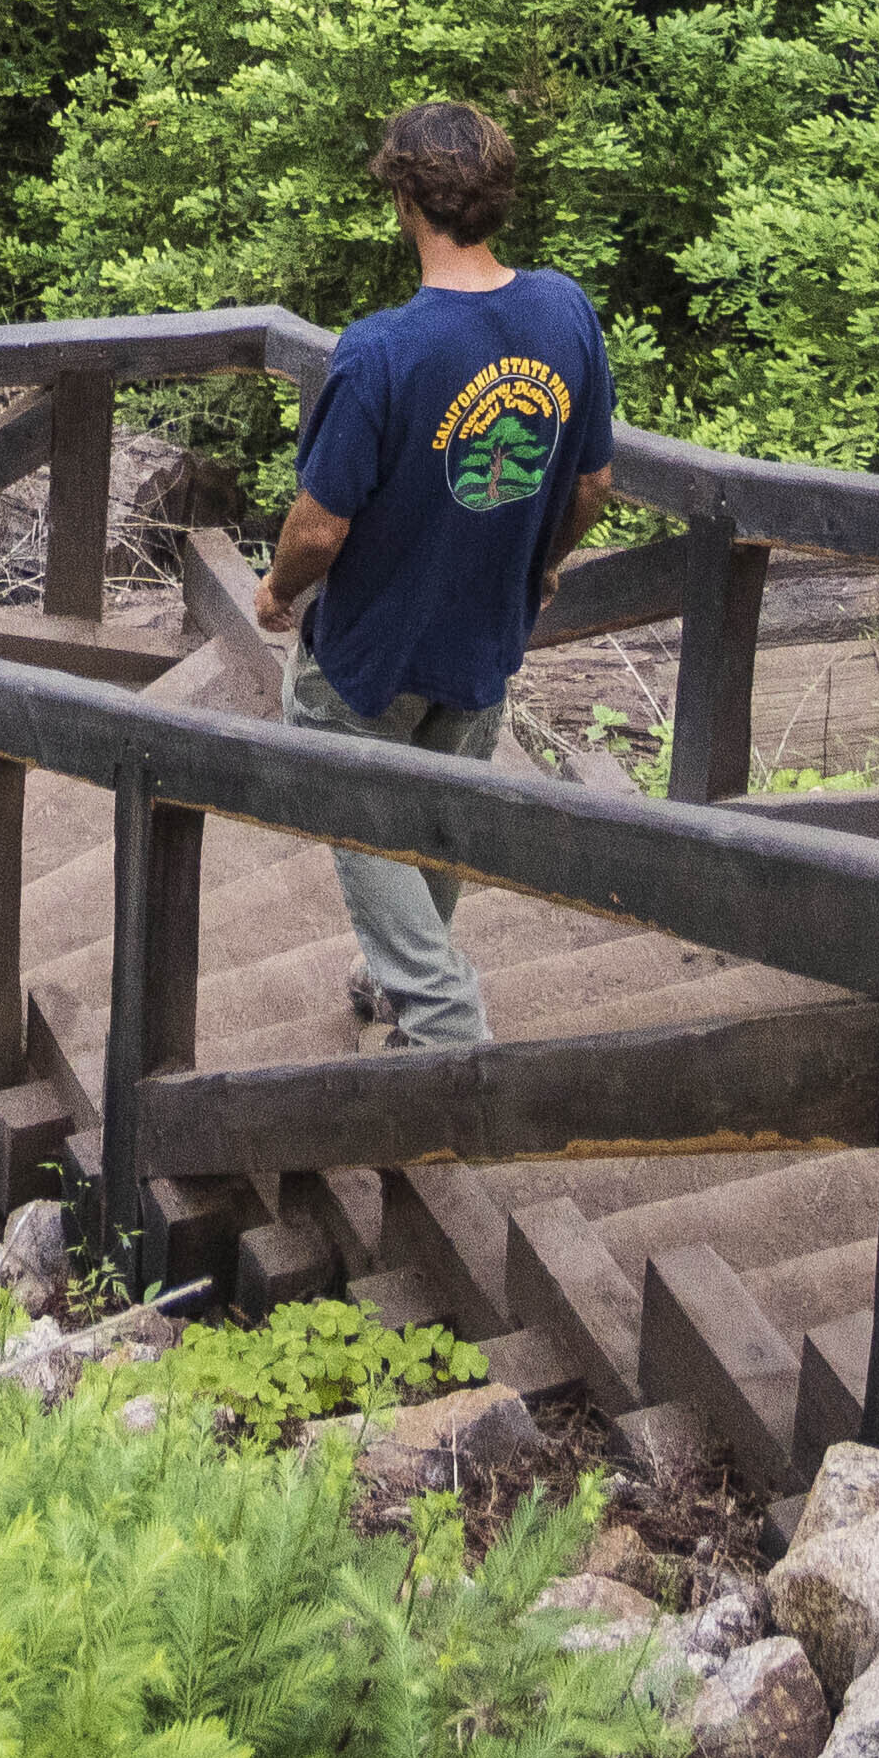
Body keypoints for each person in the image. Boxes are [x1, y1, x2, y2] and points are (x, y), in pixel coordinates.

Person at [251, 100, 616, 1054]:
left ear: (409, 200)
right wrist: (539, 569)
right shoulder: (564, 312)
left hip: (372, 646)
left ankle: (445, 1022)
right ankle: (398, 977)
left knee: (348, 791)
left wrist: (277, 591)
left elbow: (322, 527)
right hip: (484, 629)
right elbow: (594, 482)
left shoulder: (383, 350)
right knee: (442, 811)